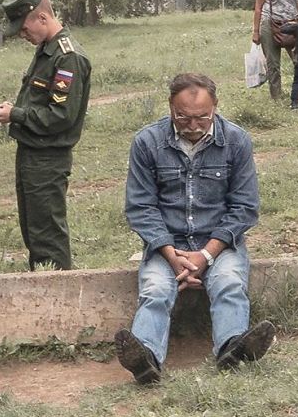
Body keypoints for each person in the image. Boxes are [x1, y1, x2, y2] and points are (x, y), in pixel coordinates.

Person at [115, 73, 275, 383]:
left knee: (228, 282)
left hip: (220, 243)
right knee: (156, 290)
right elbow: (141, 207)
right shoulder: (147, 142)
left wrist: (205, 255)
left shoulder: (236, 141)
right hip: (167, 245)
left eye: (202, 117)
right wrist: (171, 254)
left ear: (216, 106)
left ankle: (233, 348)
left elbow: (243, 208)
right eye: (182, 117)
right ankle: (144, 359)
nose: (193, 125)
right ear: (170, 108)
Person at [0, 0, 91, 271]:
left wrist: (16, 115)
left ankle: (59, 301)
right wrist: (16, 109)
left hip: (48, 158)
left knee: (47, 235)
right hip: (33, 153)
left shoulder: (67, 57)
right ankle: (43, 293)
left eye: (24, 28)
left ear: (42, 17)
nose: (22, 34)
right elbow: (43, 102)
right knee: (34, 230)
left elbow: (61, 117)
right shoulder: (47, 49)